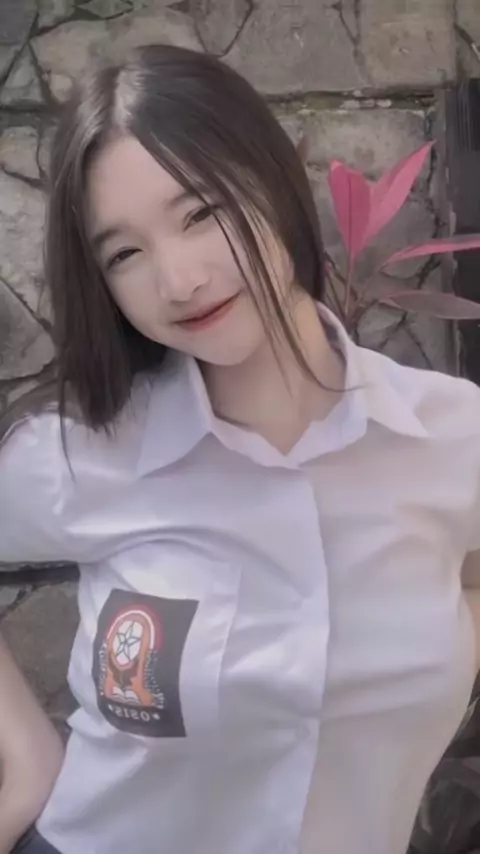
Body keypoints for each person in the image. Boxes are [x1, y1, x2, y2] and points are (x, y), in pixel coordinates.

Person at [0, 42, 480, 854]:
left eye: (200, 213)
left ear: (273, 178)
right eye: (125, 254)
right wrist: (27, 757)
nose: (179, 280)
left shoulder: (451, 434)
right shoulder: (79, 455)